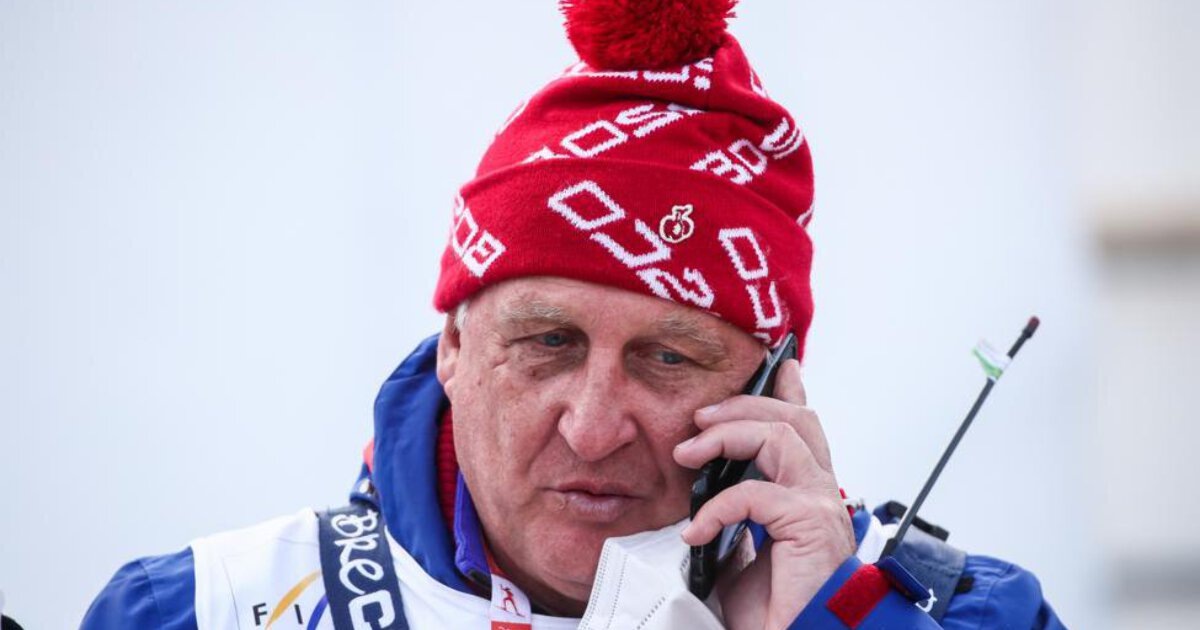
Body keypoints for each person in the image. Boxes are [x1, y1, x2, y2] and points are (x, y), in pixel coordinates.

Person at [82, 1, 1065, 628]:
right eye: (547, 343)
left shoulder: (978, 615)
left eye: (669, 357)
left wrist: (840, 622)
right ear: (454, 346)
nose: (594, 427)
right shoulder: (200, 609)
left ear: (777, 385)